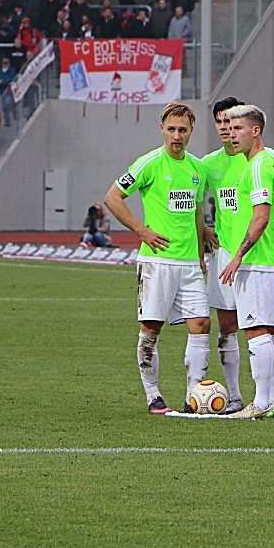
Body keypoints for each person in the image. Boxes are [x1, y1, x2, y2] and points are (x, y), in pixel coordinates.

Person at [103, 101, 212, 415]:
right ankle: (153, 395)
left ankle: (194, 395)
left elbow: (195, 208)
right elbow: (113, 197)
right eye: (171, 129)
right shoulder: (149, 163)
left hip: (190, 262)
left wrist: (202, 236)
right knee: (151, 328)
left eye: (183, 130)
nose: (177, 135)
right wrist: (141, 229)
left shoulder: (197, 169)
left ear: (191, 131)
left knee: (202, 323)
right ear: (162, 130)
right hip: (157, 261)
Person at [219, 104, 274, 418]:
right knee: (267, 331)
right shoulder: (272, 158)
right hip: (267, 260)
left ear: (255, 130)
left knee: (256, 331)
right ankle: (270, 401)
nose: (232, 135)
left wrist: (238, 255)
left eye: (238, 128)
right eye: (230, 129)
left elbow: (260, 216)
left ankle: (260, 402)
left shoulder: (257, 166)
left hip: (254, 262)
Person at [201, 96, 248, 414]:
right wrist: (204, 230)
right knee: (227, 325)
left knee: (271, 326)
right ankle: (235, 396)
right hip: (223, 256)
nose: (225, 126)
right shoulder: (209, 164)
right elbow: (189, 198)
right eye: (219, 121)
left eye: (230, 120)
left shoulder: (258, 160)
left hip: (258, 255)